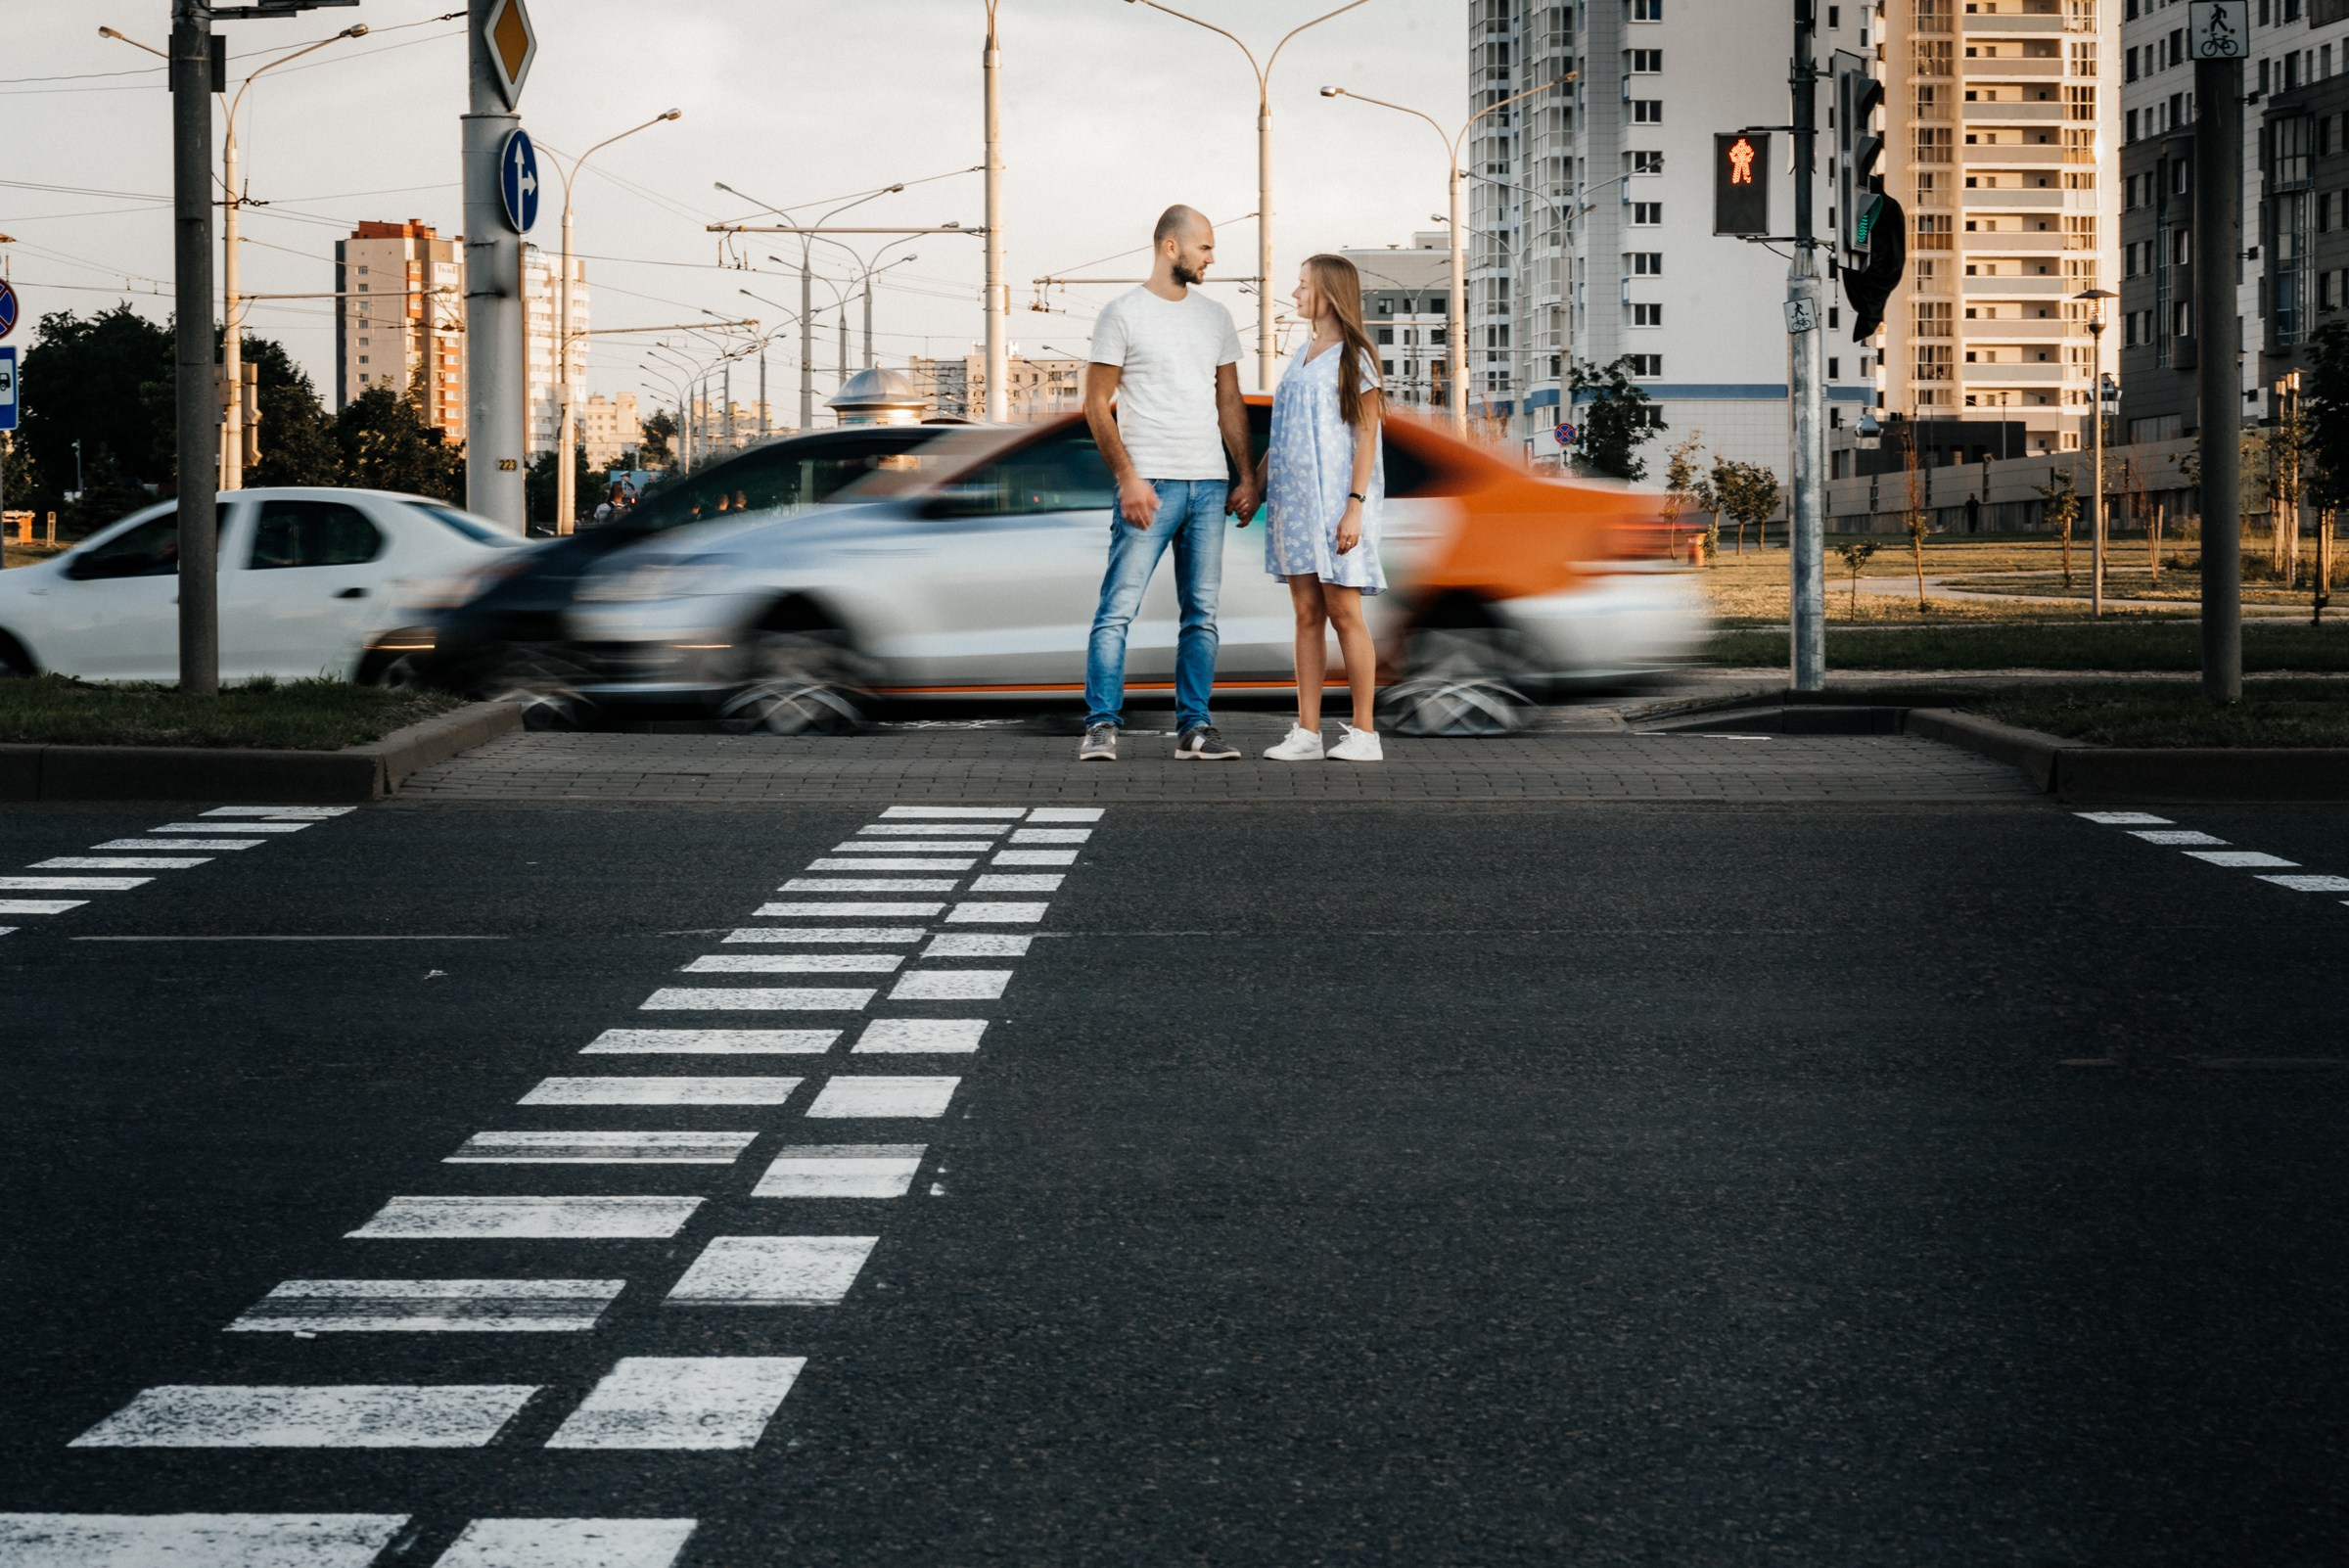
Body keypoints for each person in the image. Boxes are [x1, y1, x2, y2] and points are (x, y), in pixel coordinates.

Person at [1078, 204, 1260, 763]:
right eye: (1204, 247)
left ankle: (1195, 729)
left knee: (1201, 614)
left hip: (1207, 484)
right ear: (1171, 247)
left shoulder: (1216, 317)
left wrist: (1245, 476)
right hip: (1150, 482)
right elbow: (1094, 405)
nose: (1211, 257)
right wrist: (1128, 478)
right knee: (1117, 610)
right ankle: (1102, 725)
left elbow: (1229, 401)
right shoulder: (1123, 313)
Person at [1260, 254, 1387, 763]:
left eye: (1303, 285)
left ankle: (1364, 734)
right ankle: (1307, 733)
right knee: (1307, 613)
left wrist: (1353, 507)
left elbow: (1367, 437)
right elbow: (1283, 431)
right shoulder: (1301, 353)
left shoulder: (1356, 358)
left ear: (1329, 294)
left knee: (1344, 611)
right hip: (1295, 503)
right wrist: (1254, 485)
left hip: (1337, 501)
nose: (1294, 294)